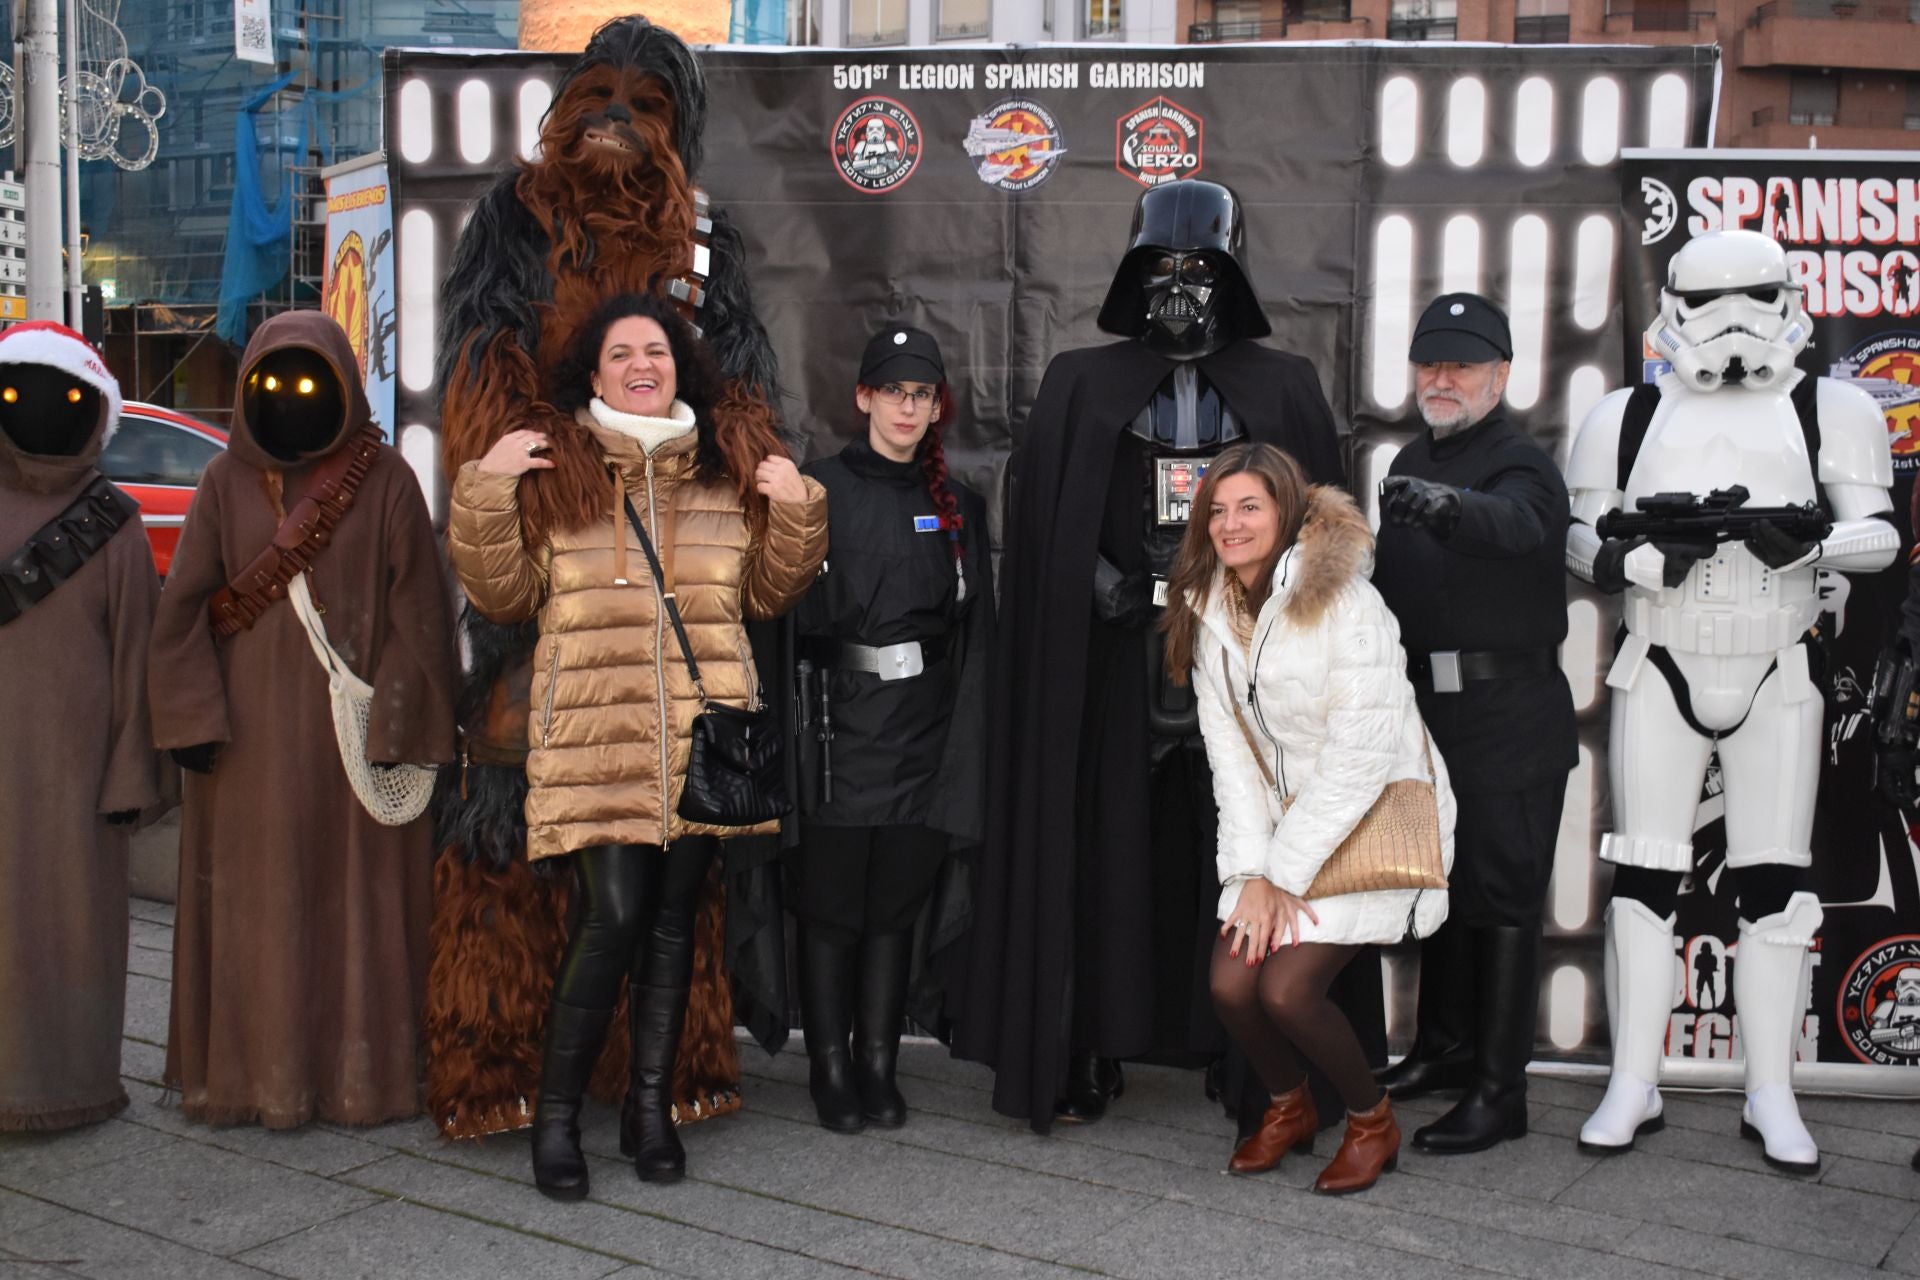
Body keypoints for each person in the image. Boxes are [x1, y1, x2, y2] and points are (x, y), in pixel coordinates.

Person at [431, 14, 783, 1141]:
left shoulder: (708, 250)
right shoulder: (511, 224)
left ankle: (665, 1074)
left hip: (677, 600)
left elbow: (742, 405)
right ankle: (497, 1066)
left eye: (644, 104)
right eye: (597, 98)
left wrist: (763, 482)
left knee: (676, 861)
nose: (618, 120)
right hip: (552, 588)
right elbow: (483, 386)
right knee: (508, 831)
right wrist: (547, 482)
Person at [960, 178, 1352, 1134]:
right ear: (1135, 271)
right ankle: (1085, 1043)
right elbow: (1047, 525)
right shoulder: (1080, 383)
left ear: (1231, 270)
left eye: (1199, 267)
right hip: (1113, 664)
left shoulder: (1285, 385)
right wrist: (1098, 584)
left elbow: (1318, 537)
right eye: (1162, 268)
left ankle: (1247, 1056)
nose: (1181, 287)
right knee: (1101, 846)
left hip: (1241, 664)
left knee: (1246, 847)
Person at [447, 292, 826, 1197]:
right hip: (594, 743)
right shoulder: (561, 470)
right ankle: (557, 1121)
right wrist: (486, 487)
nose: (640, 365)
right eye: (621, 353)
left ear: (678, 367)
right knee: (610, 917)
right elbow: (499, 597)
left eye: (654, 350)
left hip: (700, 751)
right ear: (595, 372)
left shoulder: (723, 474)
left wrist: (799, 507)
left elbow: (771, 596)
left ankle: (648, 1116)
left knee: (670, 927)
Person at [1567, 230, 1897, 1171]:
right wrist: (1636, 558)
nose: (1735, 321)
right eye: (1710, 300)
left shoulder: (1830, 409)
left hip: (1776, 664)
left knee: (1776, 883)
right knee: (1644, 876)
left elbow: (1877, 533)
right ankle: (1634, 1079)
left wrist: (1808, 547)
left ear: (1788, 295)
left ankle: (1771, 1088)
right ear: (1672, 302)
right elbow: (1582, 537)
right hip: (1662, 660)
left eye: (1757, 295)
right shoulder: (1626, 416)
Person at [149, 311, 459, 1128]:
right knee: (260, 907)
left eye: (309, 379)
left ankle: (364, 1081)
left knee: (356, 912)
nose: (290, 397)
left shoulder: (386, 478)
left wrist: (397, 723)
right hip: (247, 746)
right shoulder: (221, 485)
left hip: (353, 740)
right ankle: (257, 1081)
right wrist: (194, 723)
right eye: (273, 381)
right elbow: (180, 612)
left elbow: (418, 614)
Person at [1161, 442, 1455, 1194]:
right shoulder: (1210, 610)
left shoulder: (1348, 603)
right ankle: (1289, 1107)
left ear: (1287, 511)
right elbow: (1231, 765)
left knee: (1287, 991)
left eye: (1249, 507)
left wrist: (1279, 876)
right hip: (1288, 830)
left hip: (1368, 815)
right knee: (1231, 987)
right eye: (1217, 511)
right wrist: (1252, 875)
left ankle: (1370, 1119)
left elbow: (1360, 760)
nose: (1230, 525)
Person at [1368, 293, 1577, 1154]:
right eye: (1430, 362)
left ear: (1501, 374)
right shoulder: (1414, 454)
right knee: (1442, 895)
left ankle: (1501, 1091)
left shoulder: (1522, 463)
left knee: (1502, 907)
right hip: (1429, 716)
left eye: (1461, 363)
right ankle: (1444, 1052)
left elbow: (1521, 526)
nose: (1442, 378)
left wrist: (1451, 510)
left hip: (1508, 718)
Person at [790, 325, 993, 1133]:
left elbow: (977, 634)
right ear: (863, 397)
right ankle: (829, 1067)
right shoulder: (816, 490)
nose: (908, 408)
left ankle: (878, 1061)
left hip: (923, 740)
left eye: (922, 395)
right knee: (833, 908)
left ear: (936, 407)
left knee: (893, 909)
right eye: (894, 392)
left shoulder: (958, 509)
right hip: (838, 739)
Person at [0, 322, 172, 1131]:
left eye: (61, 393)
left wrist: (131, 772)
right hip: (65, 767)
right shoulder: (119, 523)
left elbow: (144, 656)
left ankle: (70, 1085)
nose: (37, 409)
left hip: (75, 774)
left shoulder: (113, 524)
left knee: (73, 933)